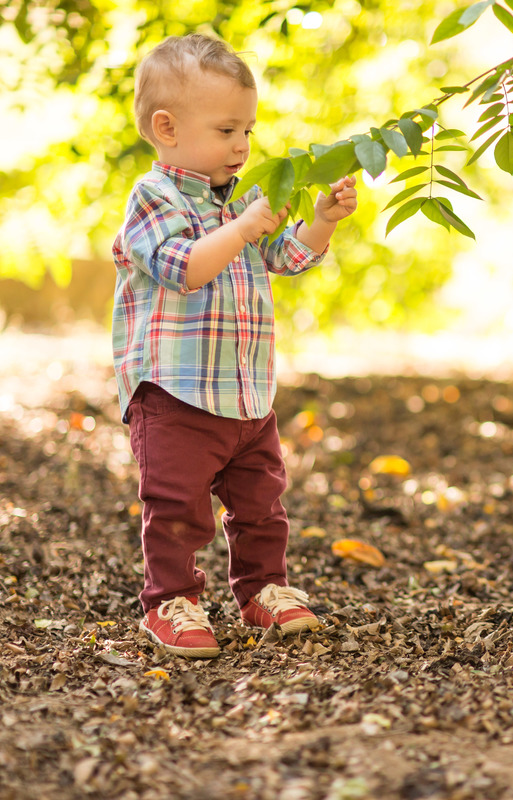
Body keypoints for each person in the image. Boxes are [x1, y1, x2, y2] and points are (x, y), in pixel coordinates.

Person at [111, 33, 358, 658]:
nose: (243, 145)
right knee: (176, 506)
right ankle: (171, 601)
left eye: (248, 129)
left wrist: (321, 221)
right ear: (167, 128)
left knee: (261, 505)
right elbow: (184, 268)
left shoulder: (245, 197)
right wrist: (242, 229)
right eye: (226, 130)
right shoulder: (153, 198)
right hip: (175, 393)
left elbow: (287, 256)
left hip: (245, 391)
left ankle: (263, 589)